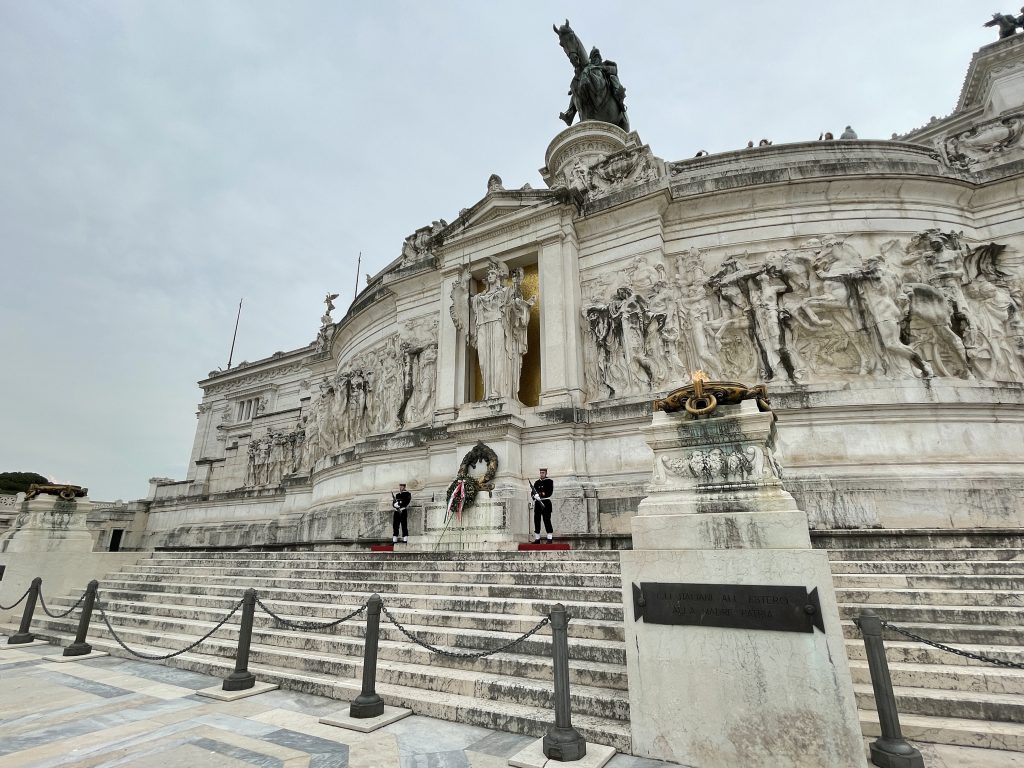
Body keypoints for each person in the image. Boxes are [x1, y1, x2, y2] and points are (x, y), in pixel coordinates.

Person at [532, 469, 554, 542]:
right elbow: (532, 492)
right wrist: (534, 496)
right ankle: (537, 538)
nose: (541, 474)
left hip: (546, 503)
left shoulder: (549, 482)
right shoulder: (536, 482)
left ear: (546, 473)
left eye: (543, 473)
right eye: (541, 473)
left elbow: (549, 492)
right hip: (538, 503)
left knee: (547, 520)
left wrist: (540, 495)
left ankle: (549, 538)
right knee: (537, 520)